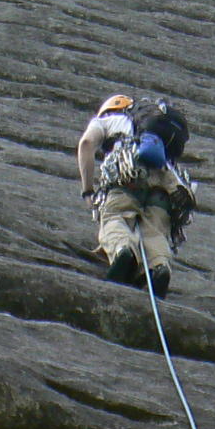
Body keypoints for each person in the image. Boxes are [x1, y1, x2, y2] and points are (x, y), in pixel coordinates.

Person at [76, 93, 196, 297]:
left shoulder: (107, 120)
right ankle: (159, 266)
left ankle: (124, 251)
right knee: (156, 232)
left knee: (116, 218)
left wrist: (87, 190)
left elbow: (86, 144)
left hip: (128, 172)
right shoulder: (154, 132)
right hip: (166, 183)